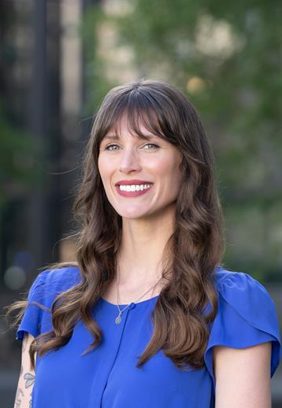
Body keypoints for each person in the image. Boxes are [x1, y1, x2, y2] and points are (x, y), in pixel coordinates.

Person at [6, 79, 281, 408]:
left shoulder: (232, 306)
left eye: (149, 145)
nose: (127, 164)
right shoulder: (53, 298)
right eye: (112, 146)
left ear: (186, 163)